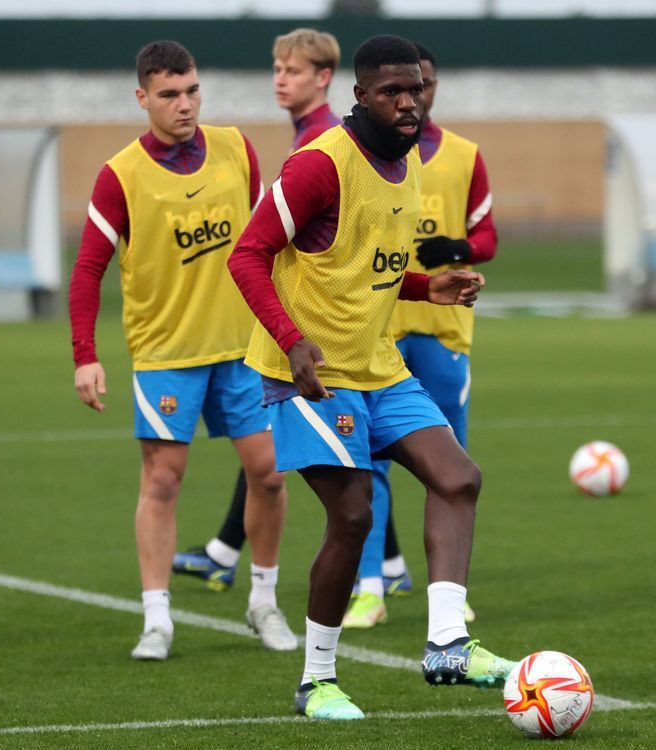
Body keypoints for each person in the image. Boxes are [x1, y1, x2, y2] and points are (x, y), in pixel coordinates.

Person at [228, 34, 515, 720]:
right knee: (352, 514)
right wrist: (293, 343)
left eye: (415, 88)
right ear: (359, 97)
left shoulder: (408, 158)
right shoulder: (319, 165)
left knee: (459, 477)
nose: (408, 101)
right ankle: (316, 681)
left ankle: (447, 641)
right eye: (391, 91)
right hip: (310, 375)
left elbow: (365, 267)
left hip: (377, 365)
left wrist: (427, 288)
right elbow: (246, 256)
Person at [69, 40, 297, 661]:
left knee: (271, 474)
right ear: (142, 98)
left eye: (192, 90)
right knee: (164, 480)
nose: (185, 104)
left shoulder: (236, 149)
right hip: (166, 353)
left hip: (242, 349)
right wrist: (84, 354)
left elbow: (267, 243)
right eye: (169, 94)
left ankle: (263, 601)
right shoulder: (120, 174)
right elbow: (88, 269)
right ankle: (157, 619)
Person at [173, 28, 342, 593]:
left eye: (292, 70)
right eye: (275, 68)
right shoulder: (309, 139)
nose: (280, 78)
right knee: (268, 455)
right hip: (306, 323)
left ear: (323, 77)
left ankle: (368, 581)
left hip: (314, 330)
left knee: (337, 466)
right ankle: (225, 550)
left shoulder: (323, 143)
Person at [343, 42, 497, 629]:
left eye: (424, 85)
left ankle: (449, 598)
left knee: (449, 465)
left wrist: (455, 250)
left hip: (441, 329)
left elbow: (488, 239)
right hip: (380, 328)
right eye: (404, 87)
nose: (415, 97)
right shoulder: (366, 156)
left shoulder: (463, 155)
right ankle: (370, 588)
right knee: (369, 464)